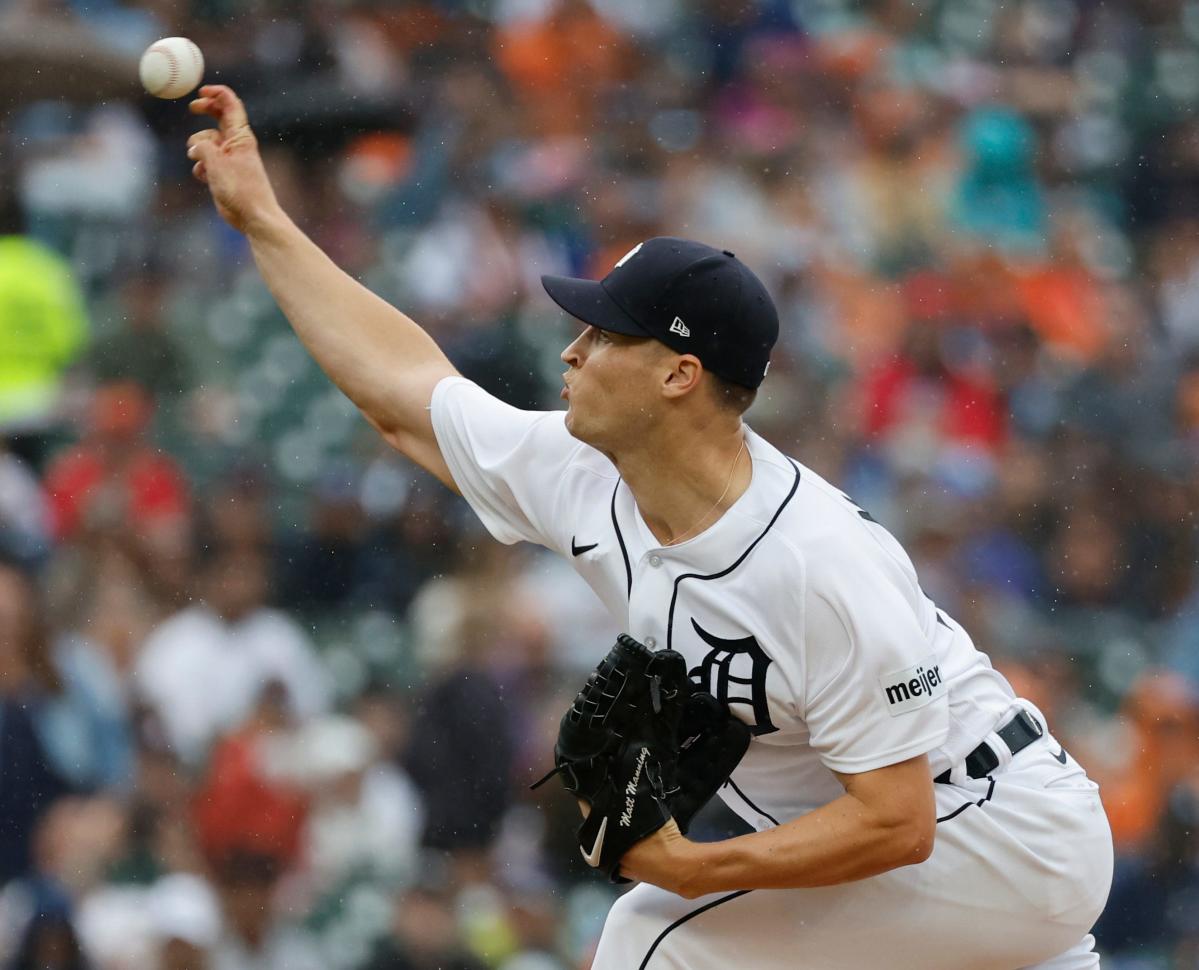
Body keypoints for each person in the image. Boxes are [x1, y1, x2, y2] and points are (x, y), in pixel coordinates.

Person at [185, 85, 1114, 969]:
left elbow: (895, 820)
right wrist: (266, 221)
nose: (571, 350)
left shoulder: (814, 560)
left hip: (992, 825)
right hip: (961, 861)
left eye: (603, 336)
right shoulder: (585, 473)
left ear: (678, 374)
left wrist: (691, 868)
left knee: (654, 938)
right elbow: (403, 397)